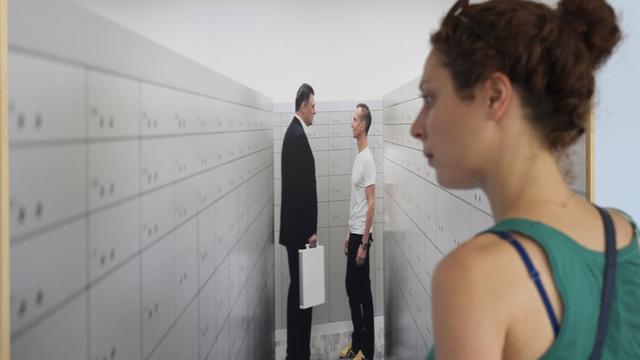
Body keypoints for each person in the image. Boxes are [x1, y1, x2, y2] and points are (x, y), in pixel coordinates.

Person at [410, 0, 640, 359]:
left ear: (494, 97)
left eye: (430, 98)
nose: (416, 127)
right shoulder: (625, 233)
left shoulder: (473, 277)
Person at [279, 83, 319, 360]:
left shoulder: (294, 134)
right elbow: (299, 191)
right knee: (301, 295)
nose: (315, 112)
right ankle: (298, 353)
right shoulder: (295, 137)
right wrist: (310, 233)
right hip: (300, 234)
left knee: (300, 292)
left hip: (296, 232)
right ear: (303, 106)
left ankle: (298, 350)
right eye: (314, 106)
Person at [339, 103, 376, 360]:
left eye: (354, 119)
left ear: (362, 125)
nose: (351, 123)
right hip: (354, 234)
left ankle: (367, 350)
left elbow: (372, 203)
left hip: (361, 238)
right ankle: (357, 343)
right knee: (353, 290)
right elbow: (357, 202)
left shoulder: (368, 160)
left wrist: (363, 243)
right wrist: (348, 232)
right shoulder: (358, 157)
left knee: (362, 294)